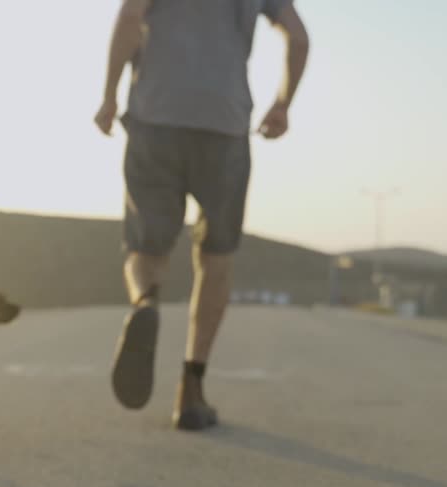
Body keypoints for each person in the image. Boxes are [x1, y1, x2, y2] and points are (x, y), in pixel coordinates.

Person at [95, 0, 309, 430]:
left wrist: (109, 96)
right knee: (216, 257)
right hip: (225, 123)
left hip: (155, 117)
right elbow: (298, 38)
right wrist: (283, 103)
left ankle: (144, 302)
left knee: (145, 246)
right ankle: (191, 391)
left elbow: (130, 18)